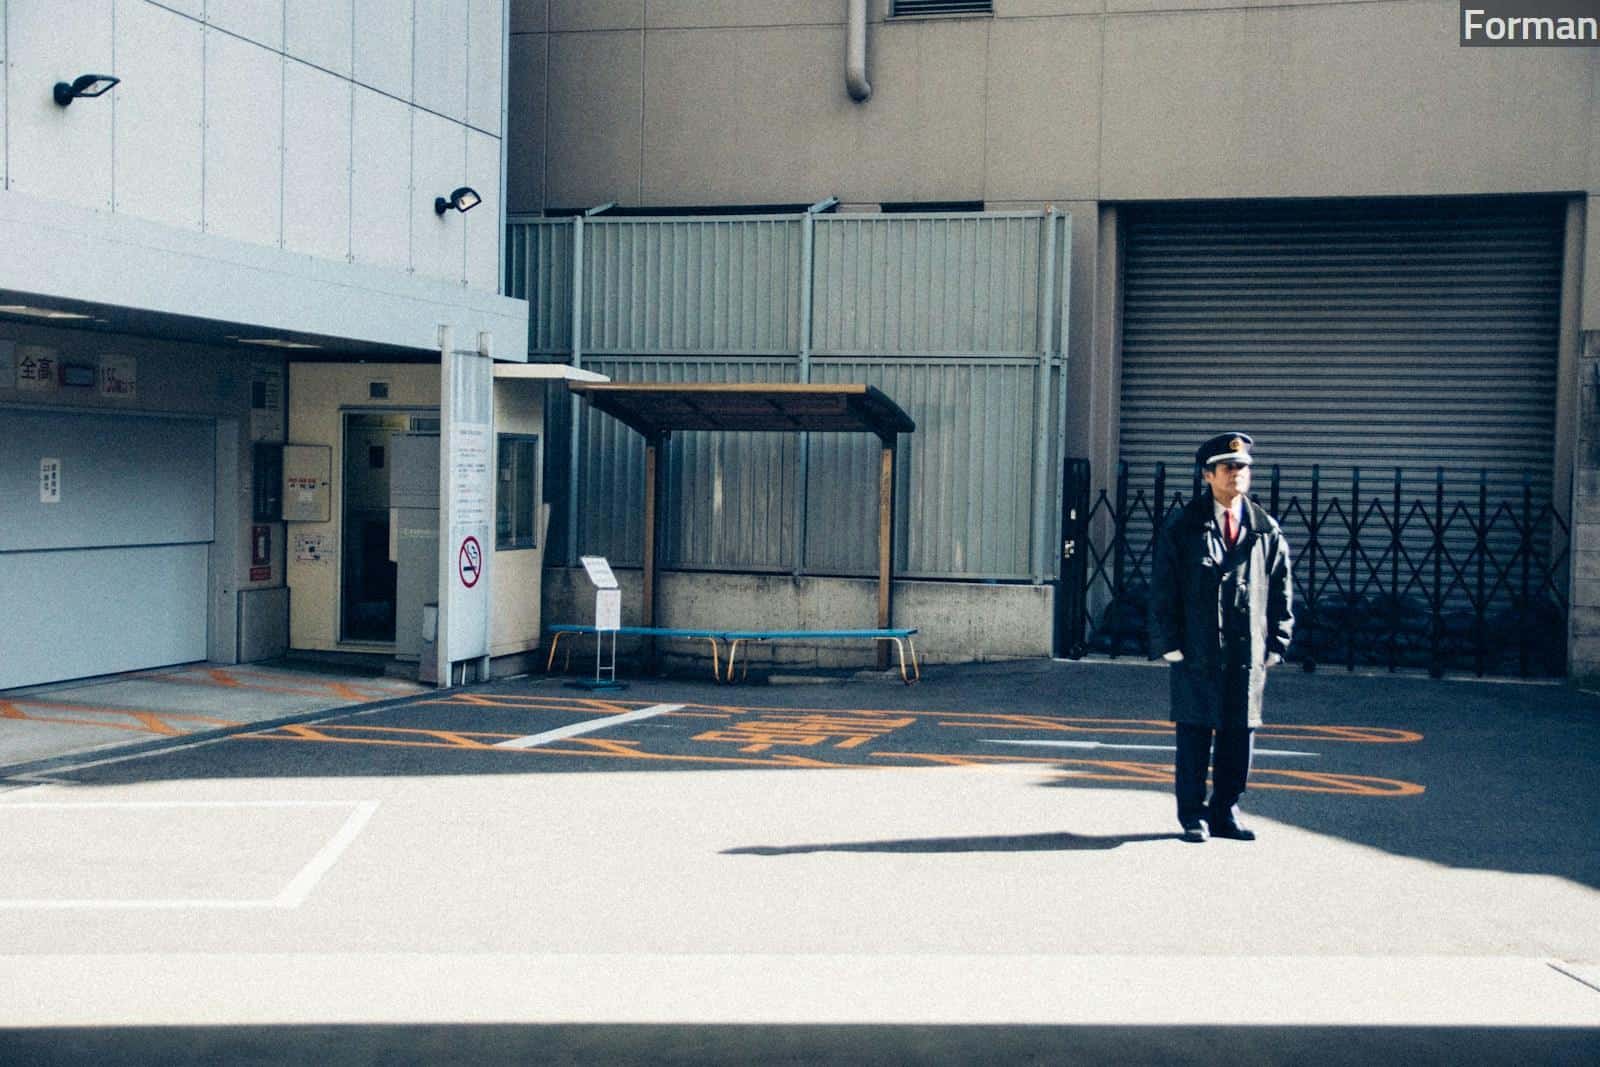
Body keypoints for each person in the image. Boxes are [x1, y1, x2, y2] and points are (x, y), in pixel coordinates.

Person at [1148, 432, 1294, 843]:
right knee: (1195, 733)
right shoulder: (1183, 526)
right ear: (1208, 475)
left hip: (1247, 648)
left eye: (1243, 468)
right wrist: (1168, 641)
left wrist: (1278, 641)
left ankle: (1226, 811)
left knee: (1239, 735)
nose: (1238, 475)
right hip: (1197, 647)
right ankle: (1193, 815)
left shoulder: (1264, 529)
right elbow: (1163, 587)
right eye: (1229, 468)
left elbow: (1281, 588)